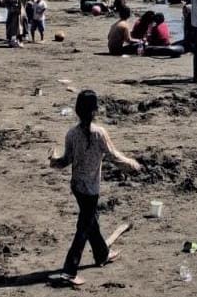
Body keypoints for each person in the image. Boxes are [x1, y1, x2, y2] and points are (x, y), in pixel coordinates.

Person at [49, 90, 142, 286]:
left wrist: (54, 160)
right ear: (94, 111)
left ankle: (101, 254)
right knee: (83, 228)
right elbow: (114, 156)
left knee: (90, 221)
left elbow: (65, 160)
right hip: (90, 189)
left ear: (77, 110)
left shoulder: (72, 134)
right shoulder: (99, 133)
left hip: (77, 186)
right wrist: (132, 164)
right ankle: (69, 271)